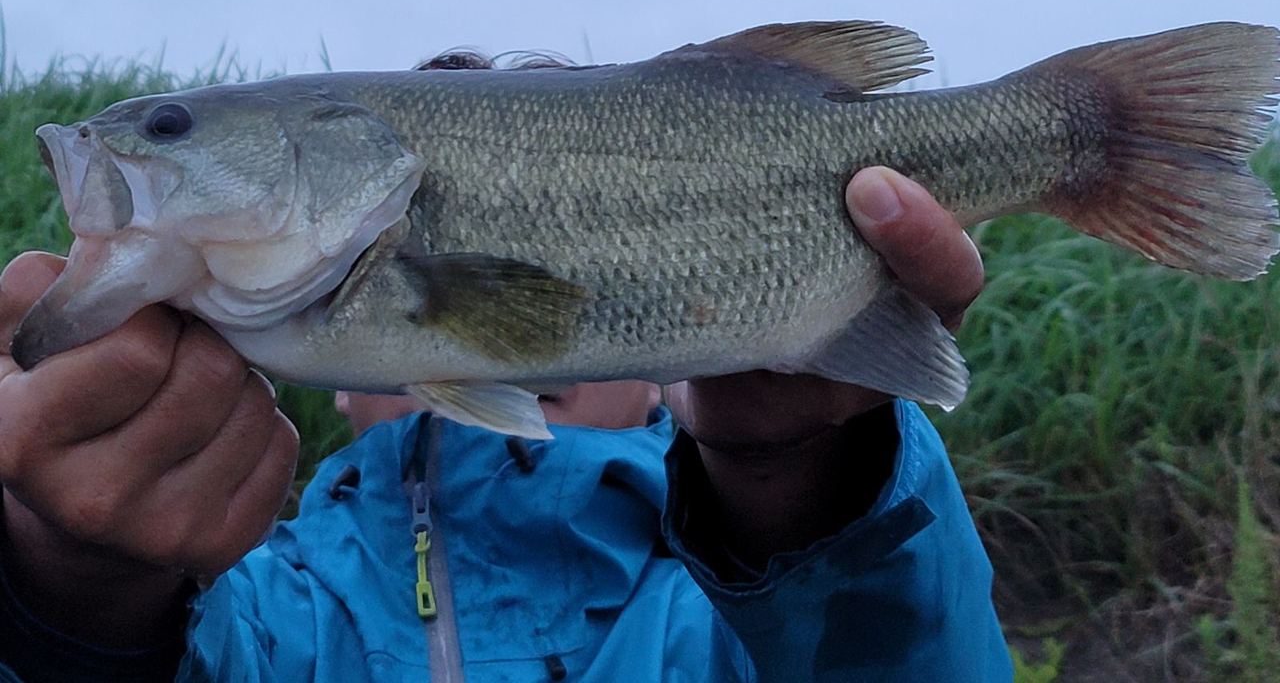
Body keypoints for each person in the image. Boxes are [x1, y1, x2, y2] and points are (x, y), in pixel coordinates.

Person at [0, 168, 1013, 681]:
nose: (498, 334)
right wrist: (73, 590)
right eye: (448, 273)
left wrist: (806, 471)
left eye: (560, 244)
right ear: (341, 398)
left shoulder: (713, 628)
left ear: (663, 383)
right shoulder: (261, 617)